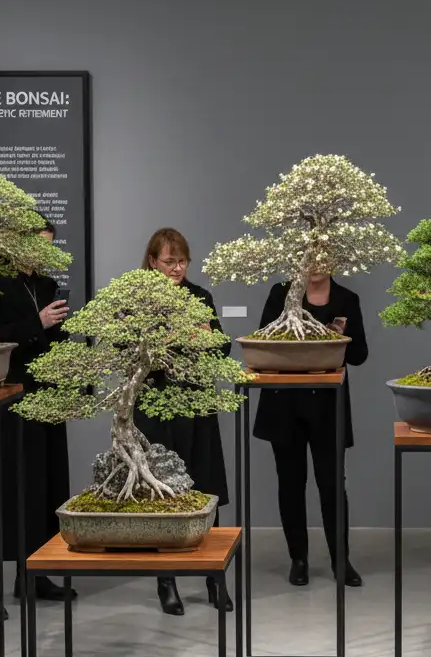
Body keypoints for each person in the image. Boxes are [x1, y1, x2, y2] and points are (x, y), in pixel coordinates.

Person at [0, 221, 72, 620]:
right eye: (38, 245)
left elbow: (52, 338)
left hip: (44, 395)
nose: (44, 253)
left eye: (49, 246)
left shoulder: (45, 285)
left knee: (44, 482)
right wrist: (37, 324)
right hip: (3, 396)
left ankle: (34, 573)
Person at [137, 228, 232, 616]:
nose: (177, 269)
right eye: (169, 261)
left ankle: (215, 577)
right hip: (157, 407)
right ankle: (166, 581)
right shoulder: (138, 298)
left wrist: (208, 337)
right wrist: (175, 339)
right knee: (164, 493)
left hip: (196, 402)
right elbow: (131, 351)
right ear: (152, 261)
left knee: (207, 487)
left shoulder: (200, 296)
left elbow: (222, 347)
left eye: (182, 261)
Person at [254, 273, 367, 587]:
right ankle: (298, 559)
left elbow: (359, 355)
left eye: (323, 254)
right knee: (290, 484)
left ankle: (340, 560)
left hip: (327, 405)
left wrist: (342, 338)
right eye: (310, 254)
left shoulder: (347, 299)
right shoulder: (281, 294)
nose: (316, 262)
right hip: (284, 403)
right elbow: (263, 339)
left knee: (332, 485)